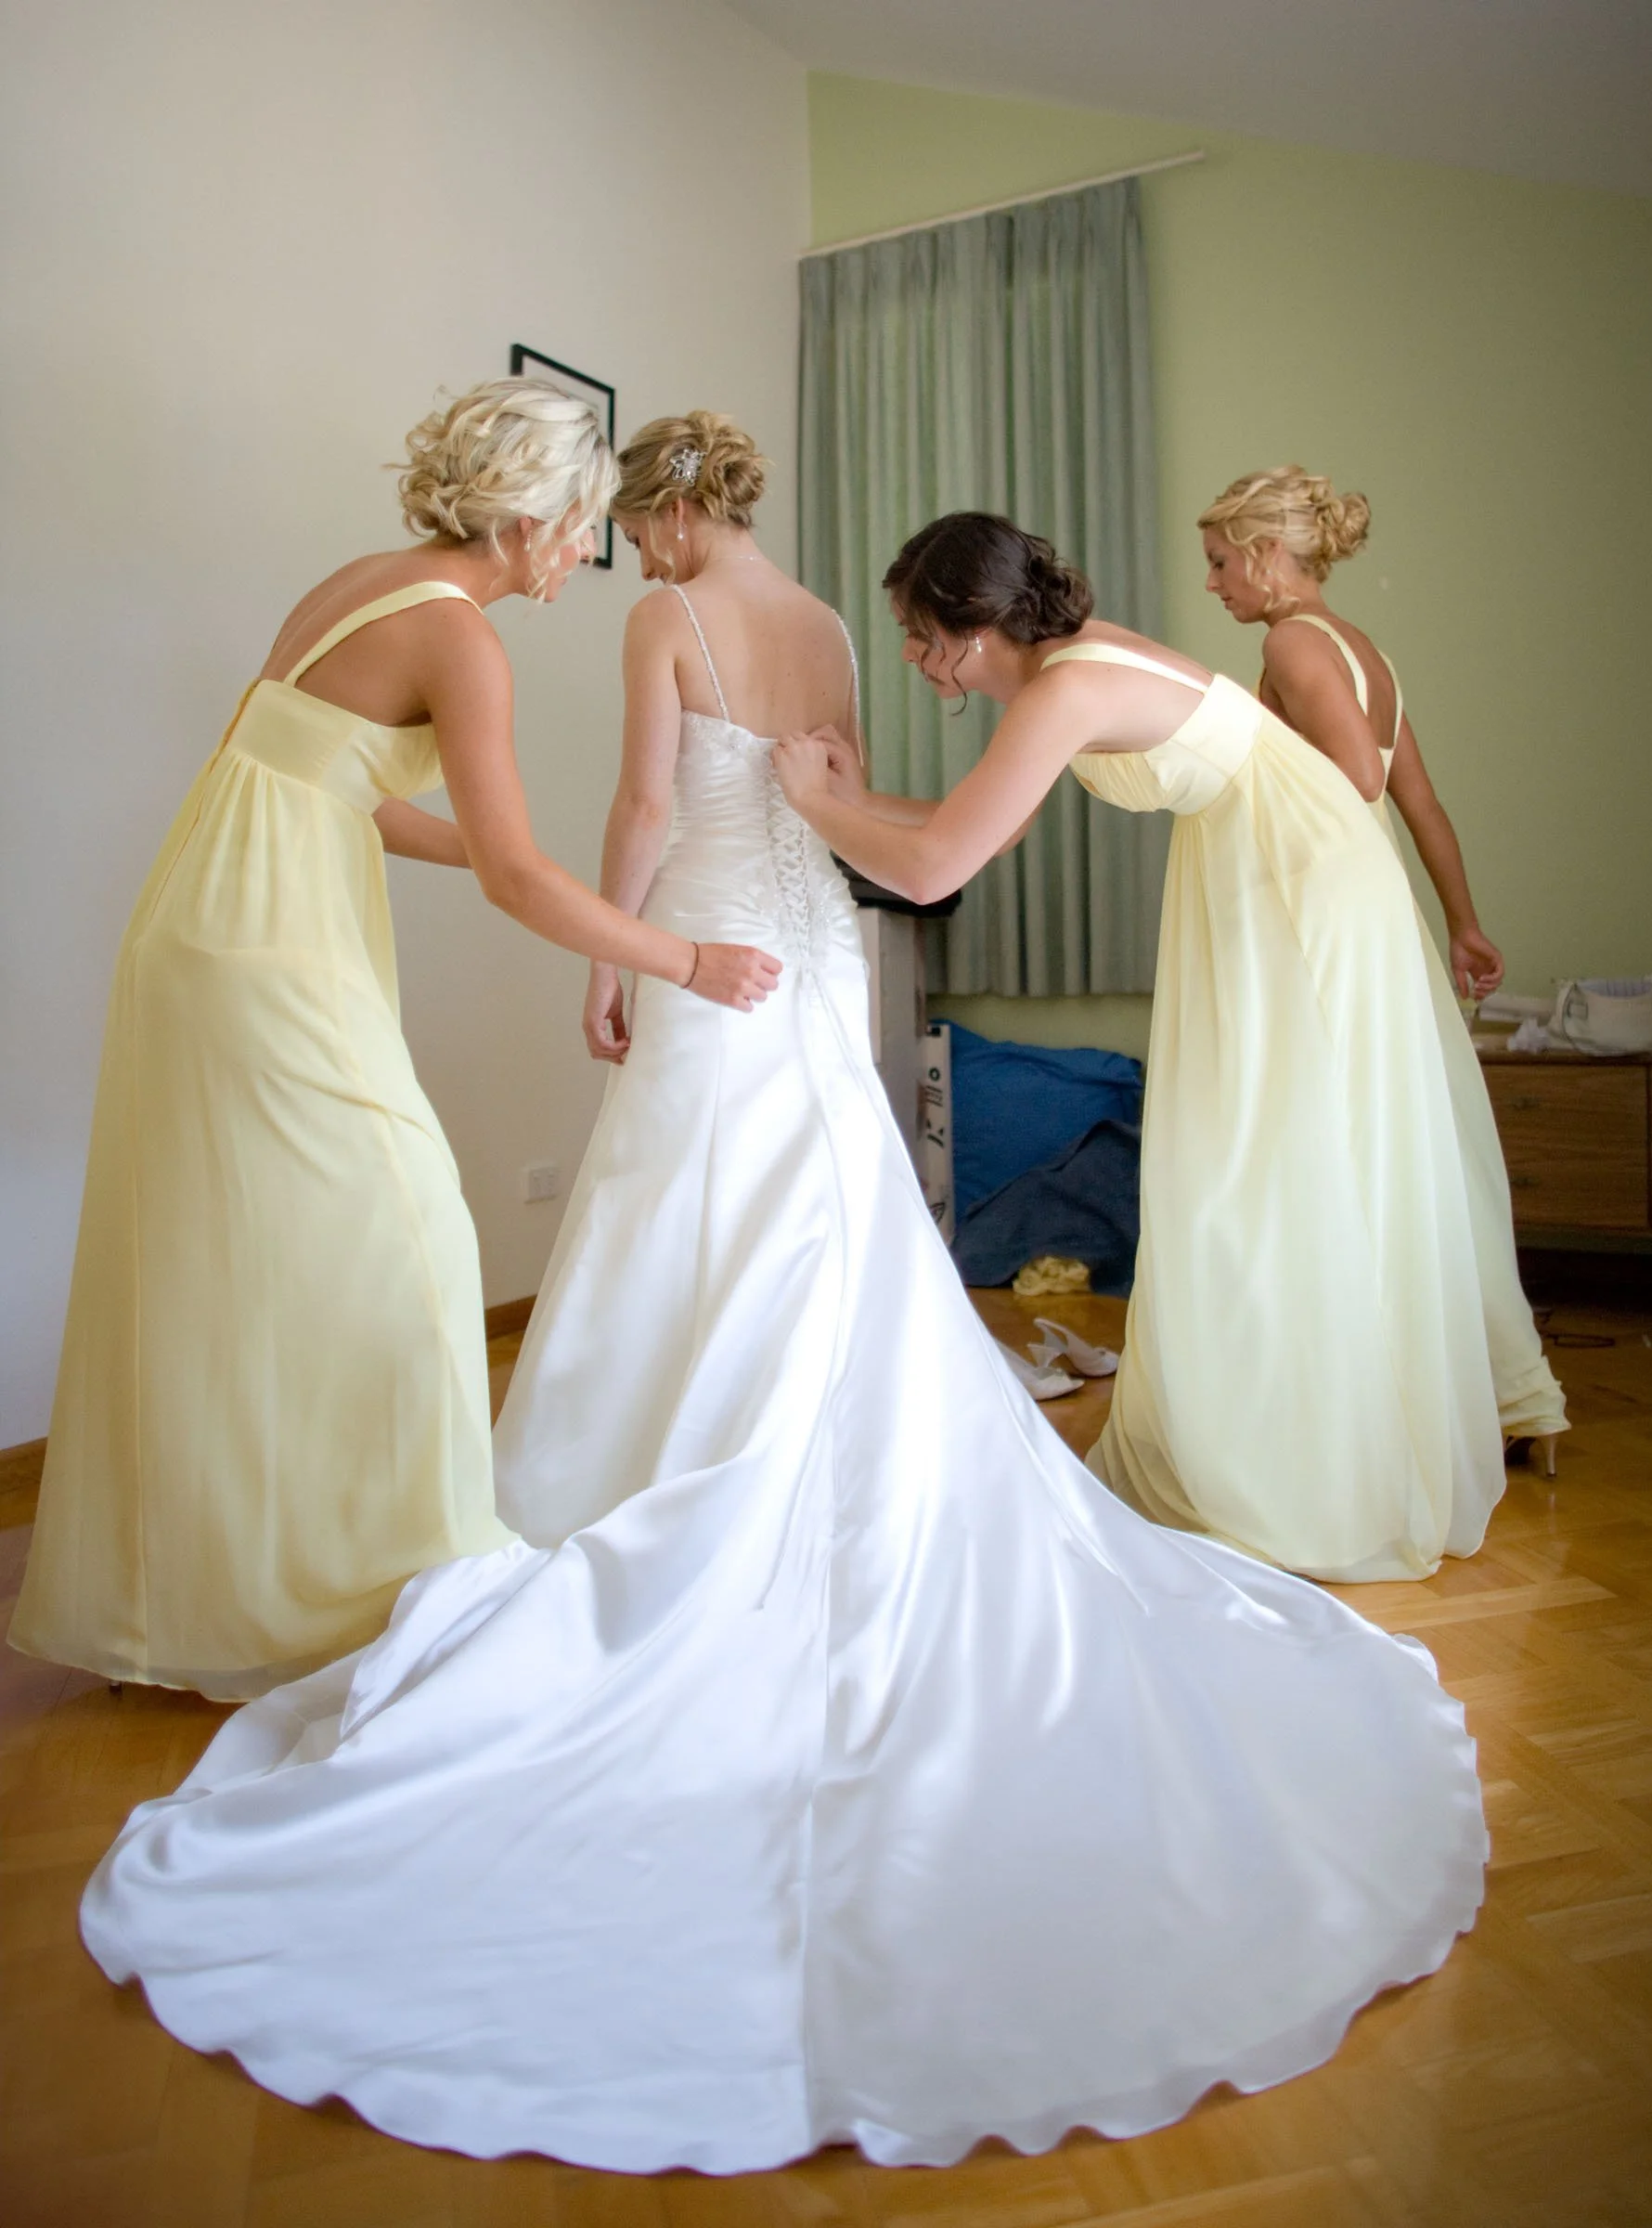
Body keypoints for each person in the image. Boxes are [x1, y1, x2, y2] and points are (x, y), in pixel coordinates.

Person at [81, 455, 1484, 2174]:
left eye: (929, 642)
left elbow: (667, 817)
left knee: (702, 1208)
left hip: (760, 927)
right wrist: (809, 828)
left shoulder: (688, 620)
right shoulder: (828, 623)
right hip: (817, 950)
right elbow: (881, 827)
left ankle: (633, 1481)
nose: (914, 665)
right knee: (835, 1214)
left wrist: (633, 951)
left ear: (672, 516)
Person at [9, 380, 780, 1701]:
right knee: (413, 1233)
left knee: (250, 1251)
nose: (591, 552)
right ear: (536, 519)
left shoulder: (360, 583)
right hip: (264, 946)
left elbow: (335, 792)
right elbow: (518, 876)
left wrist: (516, 866)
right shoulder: (457, 639)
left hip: (210, 914)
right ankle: (399, 1572)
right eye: (589, 523)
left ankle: (261, 1573)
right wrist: (684, 960)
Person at [776, 510, 1517, 1584]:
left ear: (973, 626)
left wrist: (806, 800)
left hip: (1296, 886)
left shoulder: (1070, 685)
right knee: (1251, 1170)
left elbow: (937, 868)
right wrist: (842, 804)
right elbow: (981, 820)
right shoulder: (1060, 677)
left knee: (1264, 1170)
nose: (906, 652)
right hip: (1273, 868)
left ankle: (1310, 1467)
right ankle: (1289, 1438)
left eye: (914, 629)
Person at [1199, 465, 1565, 1470]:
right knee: (1400, 1141)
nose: (1214, 584)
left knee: (1320, 1136)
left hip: (1320, 910)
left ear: (1272, 557)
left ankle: (1356, 1394)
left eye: (1223, 563)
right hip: (1384, 909)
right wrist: (1464, 921)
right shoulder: (1369, 650)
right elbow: (1422, 803)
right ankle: (1490, 1389)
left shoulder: (1288, 641)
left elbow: (1356, 776)